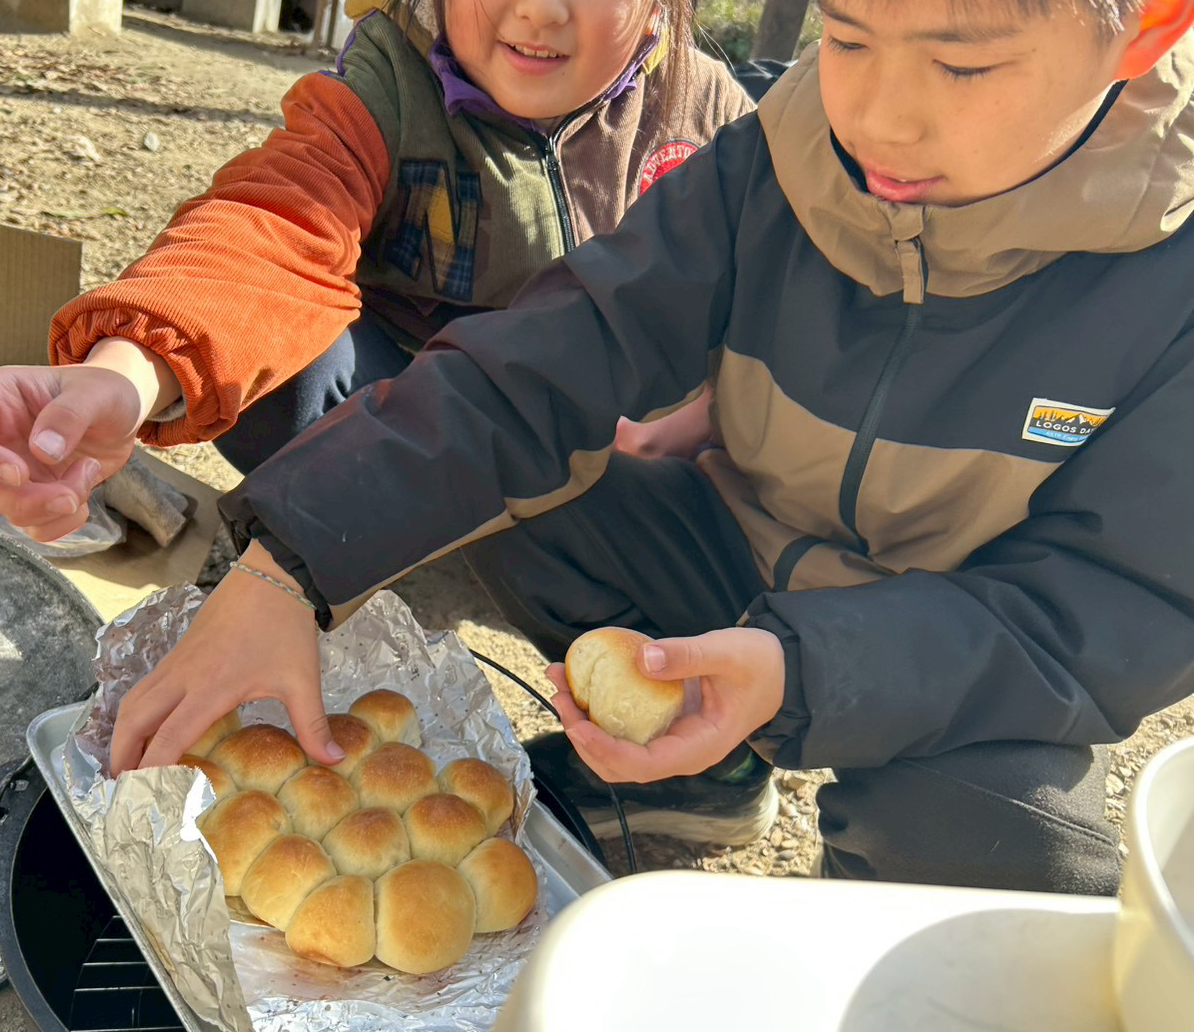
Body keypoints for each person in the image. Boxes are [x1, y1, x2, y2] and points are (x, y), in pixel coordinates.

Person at [72, 0, 1194, 896]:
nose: (882, 119)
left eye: (961, 65)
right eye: (848, 36)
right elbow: (550, 359)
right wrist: (288, 565)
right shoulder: (776, 165)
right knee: (509, 490)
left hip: (966, 642)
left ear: (1145, 27)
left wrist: (802, 669)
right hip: (732, 556)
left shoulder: (1170, 281)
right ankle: (697, 786)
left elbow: (1115, 604)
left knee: (998, 863)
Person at [0, 0, 753, 531]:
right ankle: (363, 530)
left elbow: (770, 294)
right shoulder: (389, 78)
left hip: (588, 455)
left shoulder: (711, 116)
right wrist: (125, 372)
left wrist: (697, 414)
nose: (539, 11)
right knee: (283, 361)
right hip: (407, 419)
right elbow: (277, 220)